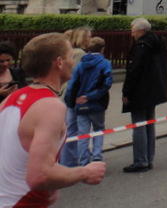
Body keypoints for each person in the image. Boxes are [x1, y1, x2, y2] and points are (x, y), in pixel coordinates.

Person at [0, 33, 105, 207]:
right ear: (59, 63)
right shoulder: (50, 106)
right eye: (71, 56)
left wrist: (53, 183)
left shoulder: (11, 98)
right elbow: (40, 176)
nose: (74, 62)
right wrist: (85, 173)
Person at [122, 18, 167, 173]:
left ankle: (140, 160)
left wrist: (126, 92)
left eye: (133, 31)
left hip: (140, 92)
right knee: (150, 124)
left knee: (139, 125)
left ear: (141, 31)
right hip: (154, 91)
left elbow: (133, 72)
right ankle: (149, 158)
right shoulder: (157, 43)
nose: (131, 34)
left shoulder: (141, 46)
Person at [66, 37, 113, 166]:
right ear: (103, 49)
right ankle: (97, 156)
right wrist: (91, 96)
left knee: (82, 133)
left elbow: (73, 84)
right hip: (97, 103)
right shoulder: (105, 64)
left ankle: (84, 160)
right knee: (99, 128)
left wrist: (72, 102)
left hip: (80, 103)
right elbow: (106, 84)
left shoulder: (81, 64)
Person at [59, 27, 91, 168]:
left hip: (67, 93)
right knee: (72, 130)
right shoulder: (80, 54)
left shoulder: (73, 53)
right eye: (88, 37)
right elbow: (76, 77)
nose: (89, 40)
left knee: (68, 129)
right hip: (72, 95)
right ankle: (69, 163)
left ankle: (67, 161)